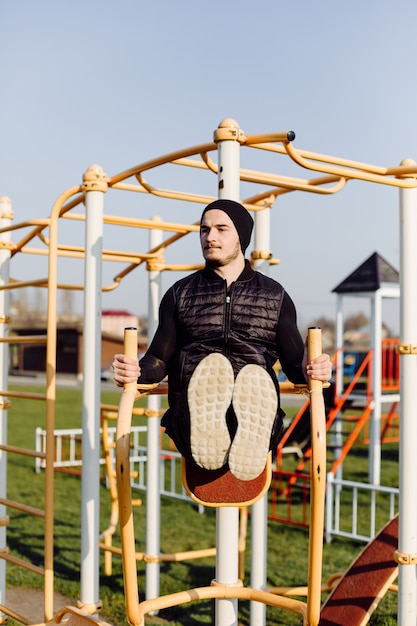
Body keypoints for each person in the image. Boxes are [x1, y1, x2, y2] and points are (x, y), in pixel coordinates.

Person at [112, 199, 332, 481]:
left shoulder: (275, 296)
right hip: (190, 415)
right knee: (208, 375)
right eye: (204, 230)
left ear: (241, 235)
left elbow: (294, 364)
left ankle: (248, 429)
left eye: (220, 229)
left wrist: (314, 369)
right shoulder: (180, 294)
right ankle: (208, 424)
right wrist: (136, 371)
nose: (209, 237)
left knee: (252, 382)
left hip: (255, 405)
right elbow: (158, 359)